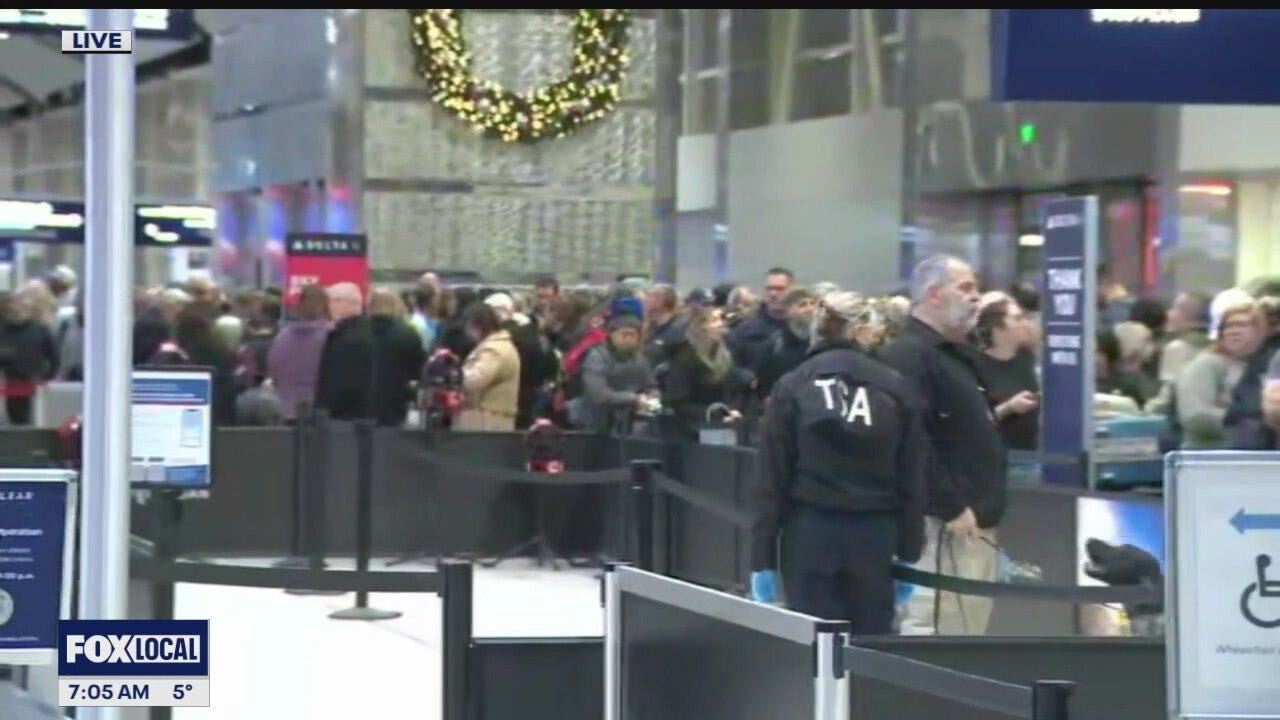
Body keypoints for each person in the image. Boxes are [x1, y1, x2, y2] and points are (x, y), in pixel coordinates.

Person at [749, 291, 926, 634]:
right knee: (870, 645)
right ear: (862, 331)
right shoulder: (896, 387)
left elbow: (771, 477)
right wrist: (909, 550)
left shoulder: (795, 383)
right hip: (876, 534)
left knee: (816, 645)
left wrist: (763, 557)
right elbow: (912, 477)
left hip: (811, 531)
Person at [878, 254, 1005, 635]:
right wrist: (950, 505)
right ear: (933, 295)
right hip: (942, 525)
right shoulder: (909, 356)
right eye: (965, 288)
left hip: (973, 520)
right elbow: (910, 437)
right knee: (936, 628)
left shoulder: (952, 355)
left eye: (976, 289)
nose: (975, 298)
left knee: (966, 629)